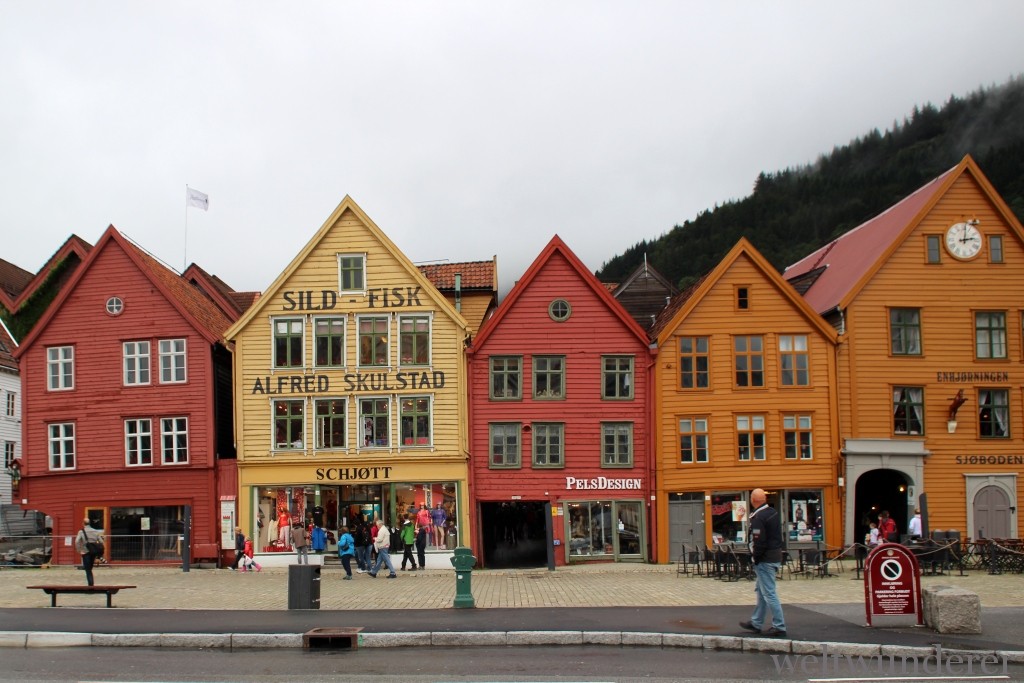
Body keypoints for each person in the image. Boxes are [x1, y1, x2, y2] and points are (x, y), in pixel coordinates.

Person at [739, 488, 786, 638]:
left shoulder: (759, 517)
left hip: (765, 559)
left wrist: (755, 557)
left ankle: (779, 626)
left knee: (769, 593)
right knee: (761, 591)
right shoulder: (773, 513)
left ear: (753, 500)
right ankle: (756, 622)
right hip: (774, 555)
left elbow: (759, 541)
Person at [74, 518, 104, 586]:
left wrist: (79, 550)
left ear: (83, 523)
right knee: (90, 568)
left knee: (88, 569)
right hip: (93, 552)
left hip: (85, 551)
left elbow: (76, 541)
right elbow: (101, 541)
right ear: (90, 523)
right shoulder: (95, 531)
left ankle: (90, 585)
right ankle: (91, 584)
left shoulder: (81, 532)